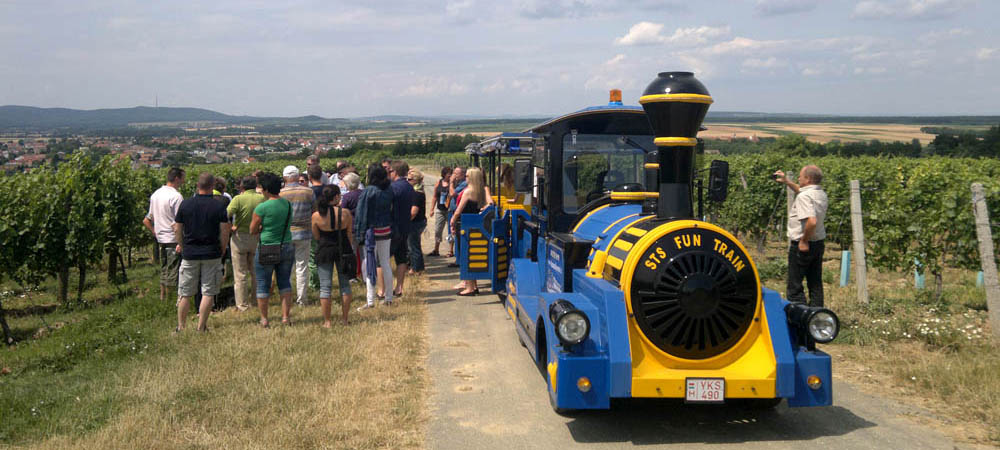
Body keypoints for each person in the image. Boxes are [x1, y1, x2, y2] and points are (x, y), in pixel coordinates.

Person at [173, 173, 230, 332]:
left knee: (185, 292)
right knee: (208, 291)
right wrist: (222, 248)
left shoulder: (185, 204)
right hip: (211, 253)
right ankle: (201, 327)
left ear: (197, 186)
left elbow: (177, 227)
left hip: (190, 253)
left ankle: (181, 327)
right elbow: (224, 231)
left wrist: (182, 245)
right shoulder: (218, 206)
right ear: (212, 186)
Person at [774, 165, 828, 307]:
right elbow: (801, 191)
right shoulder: (820, 193)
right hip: (818, 243)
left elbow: (812, 221)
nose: (798, 178)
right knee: (815, 283)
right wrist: (787, 182)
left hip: (803, 244)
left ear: (808, 179)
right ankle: (817, 317)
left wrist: (804, 241)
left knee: (795, 286)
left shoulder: (804, 197)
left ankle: (799, 318)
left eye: (801, 176)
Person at [250, 172, 295, 327]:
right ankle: (285, 317)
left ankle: (264, 319)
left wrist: (262, 227)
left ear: (267, 189)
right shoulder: (288, 204)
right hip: (286, 244)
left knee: (263, 282)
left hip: (267, 246)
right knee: (284, 282)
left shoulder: (261, 208)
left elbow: (252, 230)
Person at [312, 185, 355, 327]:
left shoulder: (317, 215)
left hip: (325, 249)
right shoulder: (346, 213)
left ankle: (327, 321)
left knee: (325, 287)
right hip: (343, 249)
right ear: (336, 197)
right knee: (345, 286)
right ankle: (345, 319)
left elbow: (316, 236)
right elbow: (349, 234)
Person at [355, 165, 394, 309]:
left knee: (370, 263)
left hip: (371, 231)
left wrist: (359, 232)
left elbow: (361, 214)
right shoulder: (389, 190)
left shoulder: (368, 191)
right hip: (386, 230)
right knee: (385, 263)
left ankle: (370, 300)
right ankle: (389, 297)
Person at [143, 167, 185, 302]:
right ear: (177, 178)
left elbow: (147, 220)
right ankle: (171, 301)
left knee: (164, 269)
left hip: (161, 239)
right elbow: (179, 222)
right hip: (173, 238)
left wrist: (156, 233)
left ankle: (163, 298)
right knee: (173, 272)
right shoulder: (176, 196)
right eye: (183, 178)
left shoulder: (156, 194)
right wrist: (181, 242)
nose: (184, 181)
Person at [450, 167, 493, 296]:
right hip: (477, 224)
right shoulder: (483, 190)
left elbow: (458, 210)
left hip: (464, 224)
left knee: (465, 255)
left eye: (468, 176)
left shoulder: (468, 191)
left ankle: (469, 287)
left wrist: (452, 220)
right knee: (473, 254)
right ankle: (474, 286)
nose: (466, 178)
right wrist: (483, 210)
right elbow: (491, 203)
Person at [280, 165, 316, 306]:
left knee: (286, 268)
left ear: (284, 177)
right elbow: (315, 210)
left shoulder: (280, 193)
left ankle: (286, 298)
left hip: (287, 234)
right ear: (297, 176)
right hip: (305, 233)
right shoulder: (308, 192)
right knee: (302, 267)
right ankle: (302, 299)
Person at [227, 176, 265, 311]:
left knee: (240, 273)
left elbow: (226, 214)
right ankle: (256, 300)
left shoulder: (238, 199)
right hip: (257, 236)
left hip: (240, 238)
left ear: (242, 186)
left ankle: (242, 304)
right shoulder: (262, 198)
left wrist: (231, 226)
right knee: (256, 272)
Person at [388, 160, 415, 297]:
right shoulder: (409, 187)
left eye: (390, 171)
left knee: (384, 259)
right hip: (405, 226)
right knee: (401, 258)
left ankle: (385, 289)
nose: (389, 174)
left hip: (393, 226)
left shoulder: (393, 187)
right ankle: (399, 287)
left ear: (395, 172)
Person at [407, 169, 427, 274]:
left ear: (415, 180)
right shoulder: (419, 191)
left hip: (415, 222)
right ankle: (418, 267)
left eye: (409, 179)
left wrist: (406, 221)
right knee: (415, 245)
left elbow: (414, 211)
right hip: (419, 221)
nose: (407, 180)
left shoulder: (416, 193)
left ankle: (416, 268)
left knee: (413, 246)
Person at [428, 166, 452, 257]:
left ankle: (450, 251)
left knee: (450, 230)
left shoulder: (452, 184)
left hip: (449, 210)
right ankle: (436, 249)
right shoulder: (439, 182)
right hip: (440, 209)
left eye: (450, 173)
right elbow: (434, 196)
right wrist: (431, 209)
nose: (450, 175)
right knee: (438, 230)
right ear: (444, 174)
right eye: (448, 173)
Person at [446, 167, 466, 262]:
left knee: (458, 236)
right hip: (452, 211)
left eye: (456, 173)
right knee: (454, 235)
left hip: (459, 213)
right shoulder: (457, 183)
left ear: (462, 174)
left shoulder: (464, 183)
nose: (453, 175)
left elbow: (452, 193)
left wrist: (450, 183)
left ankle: (459, 260)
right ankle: (457, 258)